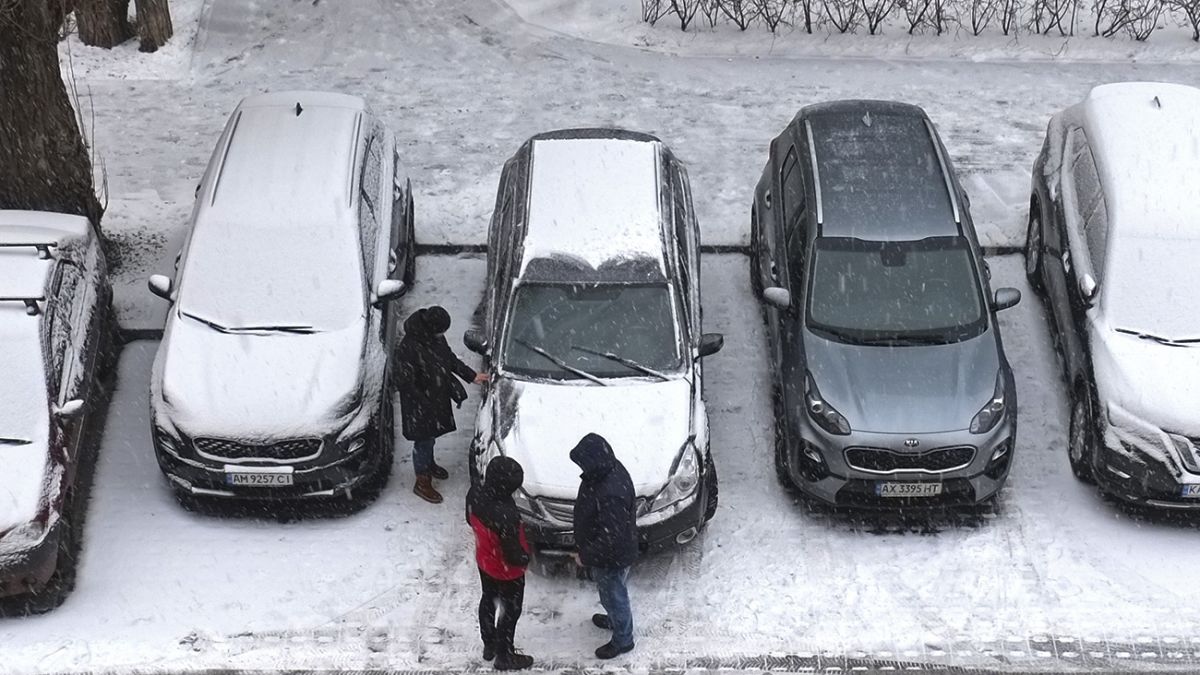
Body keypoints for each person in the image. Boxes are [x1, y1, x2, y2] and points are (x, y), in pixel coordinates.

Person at [396, 305, 487, 504]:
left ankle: (428, 464)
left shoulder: (434, 337)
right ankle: (422, 480)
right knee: (423, 441)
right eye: (441, 331)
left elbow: (449, 359)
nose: (443, 335)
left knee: (430, 437)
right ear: (431, 327)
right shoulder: (409, 347)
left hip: (433, 399)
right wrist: (423, 401)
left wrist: (471, 376)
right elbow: (405, 382)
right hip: (419, 404)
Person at [570, 433, 638, 659]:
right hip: (609, 555)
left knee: (614, 595)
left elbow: (611, 539)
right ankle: (614, 619)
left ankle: (623, 639)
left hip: (612, 558)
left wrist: (585, 555)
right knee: (609, 592)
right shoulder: (607, 471)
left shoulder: (611, 493)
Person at [466, 456, 534, 671]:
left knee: (488, 599)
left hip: (485, 560)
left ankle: (490, 643)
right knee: (510, 611)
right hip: (507, 571)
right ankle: (505, 655)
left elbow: (470, 518)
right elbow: (513, 555)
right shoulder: (506, 514)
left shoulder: (475, 492)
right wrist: (527, 557)